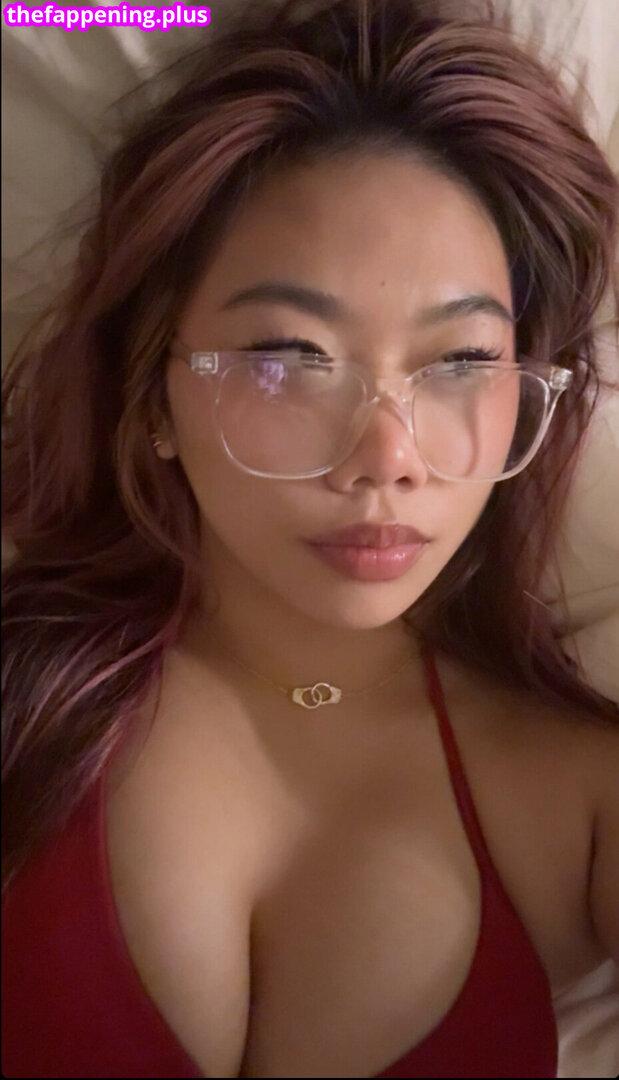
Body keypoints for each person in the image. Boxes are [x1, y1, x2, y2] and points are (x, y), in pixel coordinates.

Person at [2, 1, 618, 1076]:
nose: (388, 457)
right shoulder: (24, 698)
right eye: (288, 357)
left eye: (461, 363)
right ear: (151, 393)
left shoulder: (575, 796)